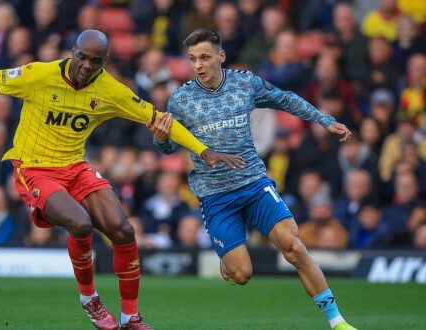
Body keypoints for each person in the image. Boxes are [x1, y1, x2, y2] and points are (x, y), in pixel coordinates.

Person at [0, 29, 239, 330]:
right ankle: (89, 299)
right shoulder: (38, 74)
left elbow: (157, 117)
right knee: (80, 223)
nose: (87, 66)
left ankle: (131, 319)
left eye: (96, 61)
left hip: (75, 167)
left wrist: (203, 150)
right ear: (72, 52)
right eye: (83, 57)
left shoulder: (110, 90)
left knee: (123, 229)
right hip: (33, 167)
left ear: (104, 63)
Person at [147, 28, 357, 330]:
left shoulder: (244, 83)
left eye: (205, 57)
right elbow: (167, 148)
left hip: (254, 184)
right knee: (242, 274)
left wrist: (325, 120)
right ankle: (229, 261)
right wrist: (159, 139)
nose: (198, 65)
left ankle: (337, 321)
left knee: (294, 247)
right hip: (216, 196)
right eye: (192, 59)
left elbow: (285, 100)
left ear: (221, 56)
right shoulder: (181, 99)